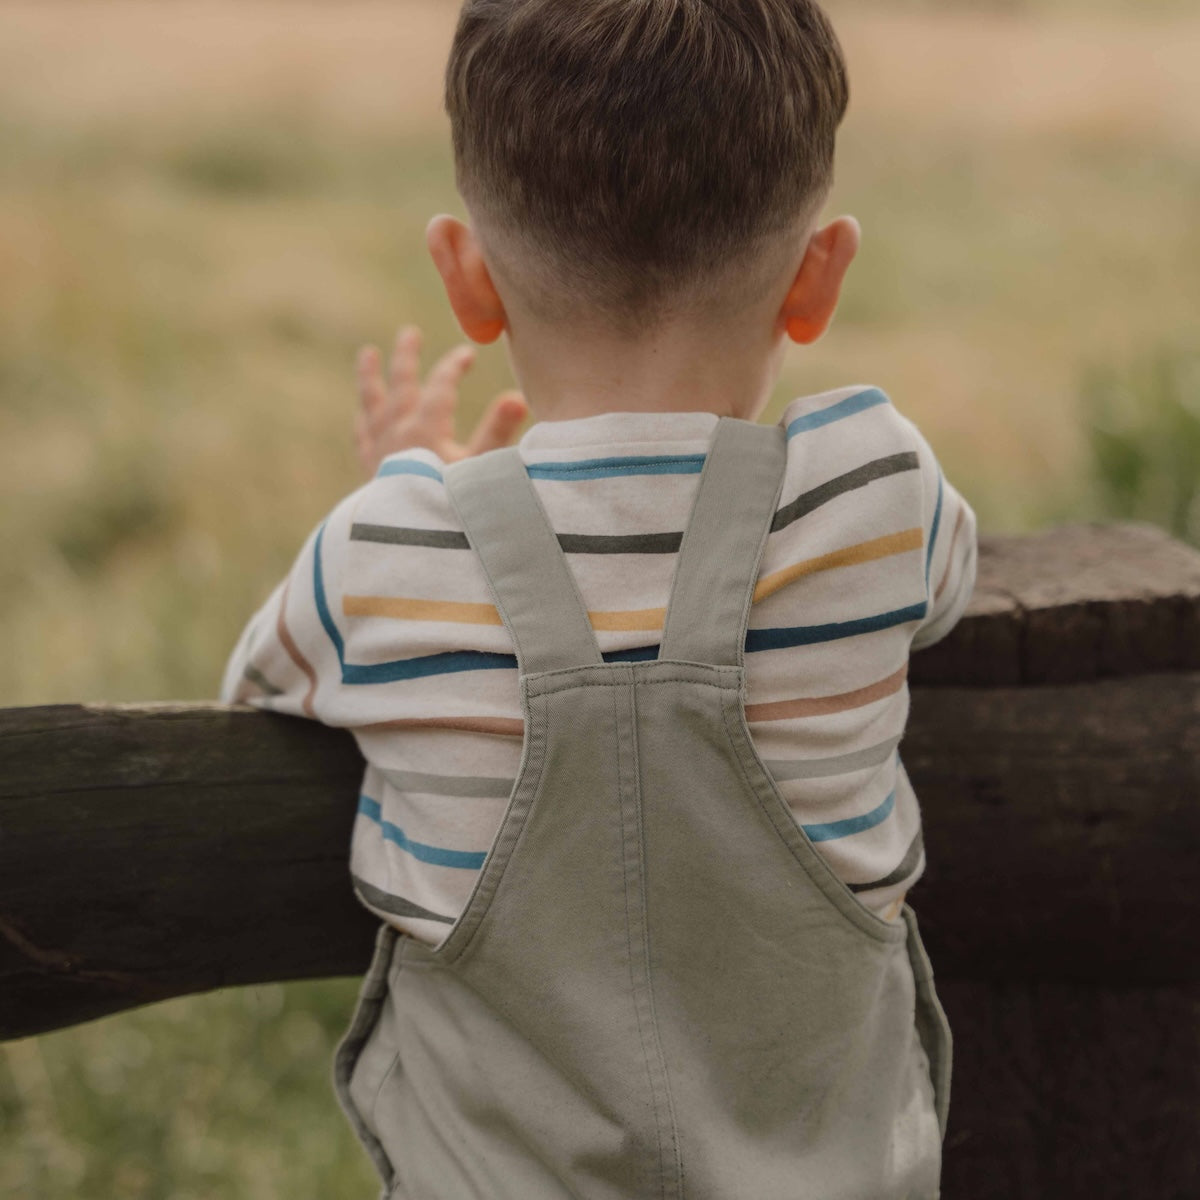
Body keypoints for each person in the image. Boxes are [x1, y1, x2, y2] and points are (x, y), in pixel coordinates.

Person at [221, 1, 977, 1196]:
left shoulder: (382, 552)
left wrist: (403, 496)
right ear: (817, 278)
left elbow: (250, 693)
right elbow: (942, 596)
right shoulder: (878, 494)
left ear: (468, 282)